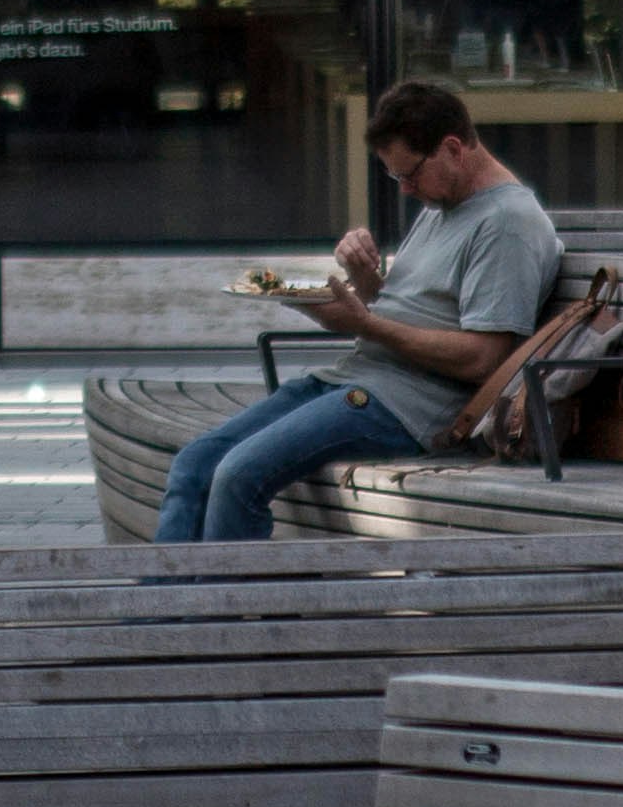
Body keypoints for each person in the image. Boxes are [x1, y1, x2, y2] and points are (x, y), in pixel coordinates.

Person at [156, 79, 560, 542]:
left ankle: (228, 609)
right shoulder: (445, 201)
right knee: (194, 465)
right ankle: (166, 613)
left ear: (452, 148)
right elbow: (415, 313)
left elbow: (485, 360)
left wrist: (366, 323)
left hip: (409, 408)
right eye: (396, 178)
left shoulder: (506, 223)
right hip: (356, 380)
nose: (405, 190)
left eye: (409, 174)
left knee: (236, 476)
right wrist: (366, 284)